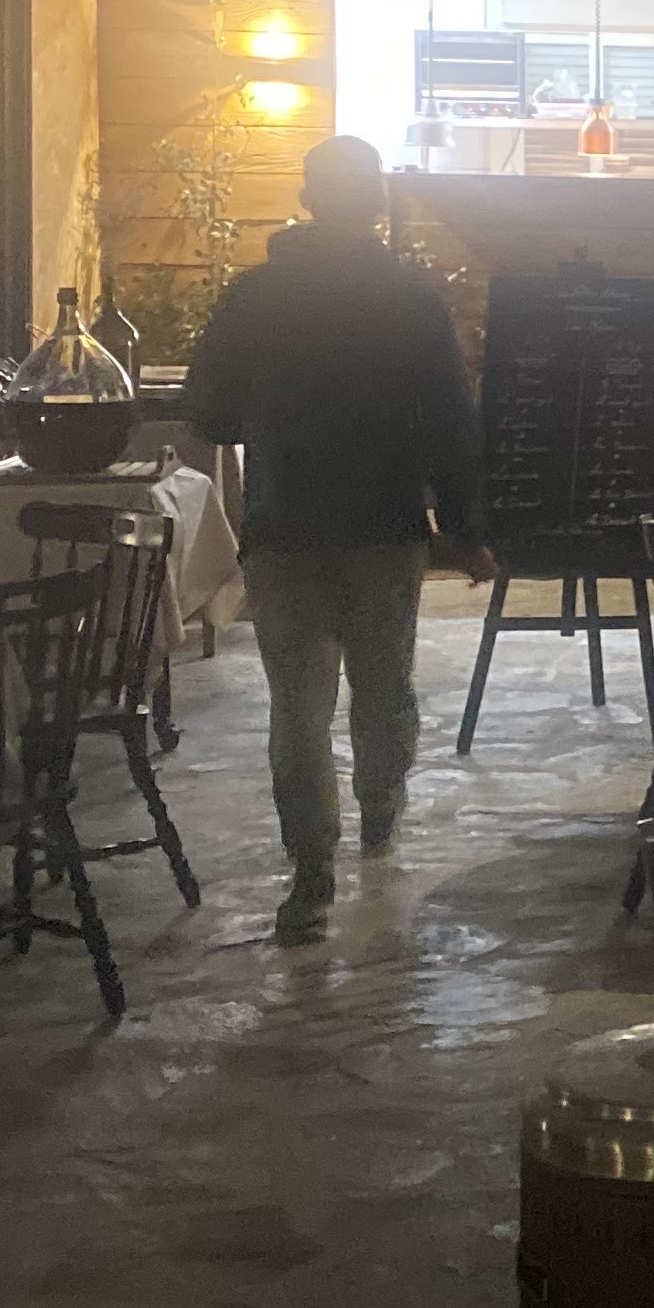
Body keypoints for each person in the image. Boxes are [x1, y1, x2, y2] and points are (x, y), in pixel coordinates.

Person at [184, 135, 490, 941]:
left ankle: (310, 875)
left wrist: (268, 413)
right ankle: (380, 814)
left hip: (284, 524)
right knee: (384, 688)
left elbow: (209, 413)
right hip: (385, 525)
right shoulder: (410, 298)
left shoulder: (255, 296)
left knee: (298, 707)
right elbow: (452, 420)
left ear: (307, 198)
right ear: (378, 203)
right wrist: (465, 529)